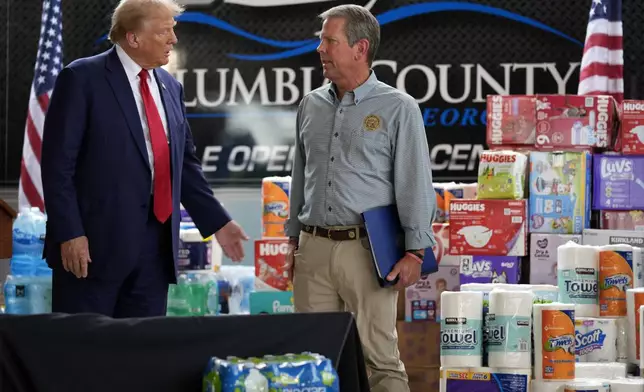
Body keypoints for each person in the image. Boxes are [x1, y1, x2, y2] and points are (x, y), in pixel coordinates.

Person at [41, 0, 248, 318]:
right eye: (165, 31)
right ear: (133, 37)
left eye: (173, 31)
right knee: (83, 356)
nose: (173, 40)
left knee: (142, 355)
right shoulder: (82, 78)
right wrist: (70, 233)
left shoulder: (169, 85)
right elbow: (57, 167)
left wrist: (218, 222)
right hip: (93, 248)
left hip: (156, 250)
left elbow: (184, 165)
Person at [285, 4, 437, 392]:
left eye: (329, 41)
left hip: (367, 253)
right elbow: (301, 175)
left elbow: (414, 183)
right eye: (322, 40)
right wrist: (292, 240)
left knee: (380, 360)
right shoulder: (310, 105)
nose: (320, 49)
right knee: (310, 361)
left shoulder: (398, 107)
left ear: (360, 48)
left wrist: (416, 252)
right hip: (313, 249)